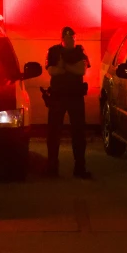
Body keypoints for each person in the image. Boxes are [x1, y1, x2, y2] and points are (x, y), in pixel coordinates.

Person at [45, 26, 91, 179]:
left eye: (72, 37)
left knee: (78, 133)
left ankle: (79, 166)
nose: (71, 39)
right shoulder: (53, 51)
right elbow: (52, 71)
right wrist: (68, 68)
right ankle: (52, 166)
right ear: (62, 38)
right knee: (53, 133)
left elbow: (81, 71)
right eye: (68, 37)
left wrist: (64, 66)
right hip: (58, 97)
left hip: (75, 97)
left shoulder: (80, 52)